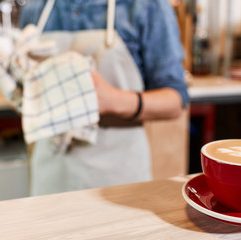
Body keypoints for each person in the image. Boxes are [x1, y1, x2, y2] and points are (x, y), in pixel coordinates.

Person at [18, 0, 189, 195]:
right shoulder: (37, 8)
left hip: (118, 175)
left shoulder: (146, 6)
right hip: (50, 172)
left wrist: (113, 100)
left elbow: (175, 101)